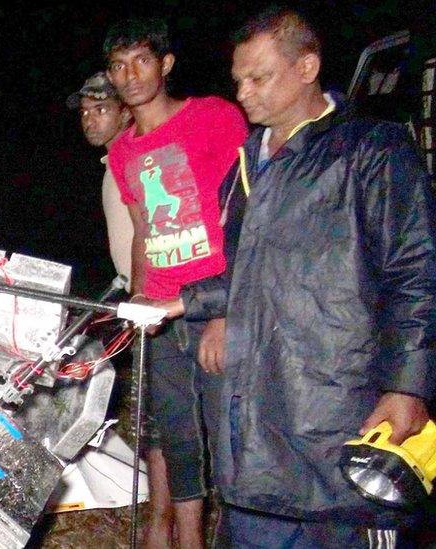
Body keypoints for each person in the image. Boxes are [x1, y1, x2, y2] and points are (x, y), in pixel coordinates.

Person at [159, 7, 435, 546]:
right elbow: (253, 276)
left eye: (259, 77)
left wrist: (408, 387)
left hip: (345, 413)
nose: (243, 92)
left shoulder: (371, 151)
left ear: (307, 67)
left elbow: (416, 272)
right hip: (260, 414)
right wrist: (188, 303)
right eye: (238, 78)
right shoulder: (245, 165)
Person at [103, 17, 247, 547]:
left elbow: (249, 213)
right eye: (119, 66)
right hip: (161, 311)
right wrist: (141, 301)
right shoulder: (123, 152)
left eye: (142, 60)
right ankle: (189, 536)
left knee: (232, 439)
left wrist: (230, 310)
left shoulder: (214, 117)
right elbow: (143, 231)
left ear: (165, 64)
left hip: (215, 301)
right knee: (177, 439)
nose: (131, 75)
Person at [66, 72, 133, 286]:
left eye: (101, 110)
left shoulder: (137, 162)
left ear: (125, 113)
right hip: (143, 298)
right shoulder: (113, 165)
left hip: (164, 300)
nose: (89, 121)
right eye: (84, 112)